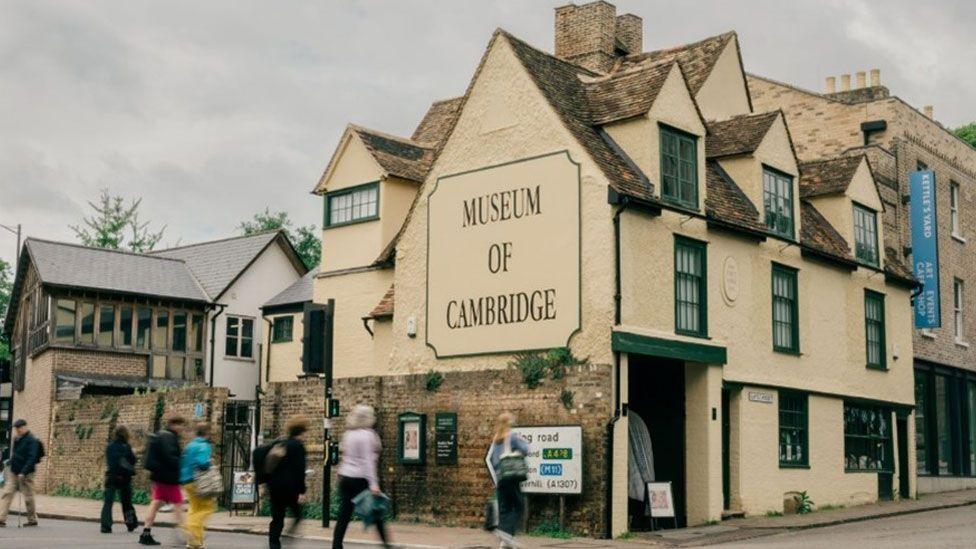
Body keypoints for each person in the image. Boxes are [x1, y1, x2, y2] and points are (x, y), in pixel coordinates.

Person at [332, 405, 390, 549]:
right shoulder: (368, 434)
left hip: (345, 477)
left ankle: (336, 545)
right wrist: (374, 484)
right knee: (376, 513)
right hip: (360, 479)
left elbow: (345, 456)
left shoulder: (348, 434)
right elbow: (367, 461)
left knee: (344, 515)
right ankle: (386, 544)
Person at [139, 415, 187, 546]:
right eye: (181, 425)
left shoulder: (160, 434)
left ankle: (146, 533)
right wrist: (181, 466)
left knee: (155, 504)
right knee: (178, 505)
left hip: (159, 476)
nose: (182, 428)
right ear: (175, 425)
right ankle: (181, 535)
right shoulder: (169, 437)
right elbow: (170, 457)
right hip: (169, 478)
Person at [488, 412, 529, 549]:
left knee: (505, 508)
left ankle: (505, 542)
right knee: (518, 506)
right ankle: (505, 532)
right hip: (511, 476)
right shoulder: (512, 435)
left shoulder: (496, 438)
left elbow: (493, 461)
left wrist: (496, 479)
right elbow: (526, 449)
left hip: (500, 479)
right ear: (509, 422)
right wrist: (518, 449)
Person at [266, 416, 309, 549]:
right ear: (301, 431)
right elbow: (300, 470)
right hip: (289, 488)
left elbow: (270, 466)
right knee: (298, 515)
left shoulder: (281, 443)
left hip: (275, 486)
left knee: (277, 518)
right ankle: (287, 538)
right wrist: (302, 491)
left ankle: (274, 544)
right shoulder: (298, 446)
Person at [0, 419, 41, 528]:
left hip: (27, 473)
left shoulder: (32, 441)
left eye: (19, 428)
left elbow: (32, 458)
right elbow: (15, 455)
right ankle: (1, 519)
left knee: (28, 497)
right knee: (7, 493)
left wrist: (23, 472)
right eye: (16, 428)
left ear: (24, 427)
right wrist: (9, 463)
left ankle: (32, 520)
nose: (17, 430)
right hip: (14, 471)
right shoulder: (16, 439)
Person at [181, 423, 216, 549]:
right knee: (208, 508)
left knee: (194, 508)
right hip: (198, 482)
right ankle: (188, 527)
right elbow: (202, 463)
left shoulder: (189, 445)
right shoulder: (204, 445)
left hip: (186, 481)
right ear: (207, 433)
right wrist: (209, 462)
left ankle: (195, 542)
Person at [100, 425, 139, 533]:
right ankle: (131, 523)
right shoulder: (127, 447)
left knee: (108, 503)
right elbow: (133, 460)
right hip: (125, 477)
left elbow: (110, 463)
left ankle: (106, 526)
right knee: (126, 502)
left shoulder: (110, 446)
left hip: (112, 476)